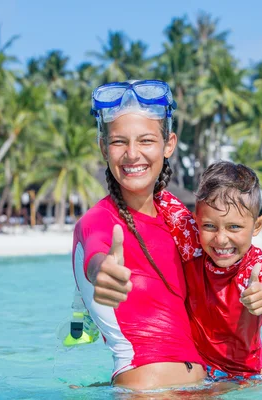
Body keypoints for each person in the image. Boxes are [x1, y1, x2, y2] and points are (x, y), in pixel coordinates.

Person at [71, 79, 206, 390]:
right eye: (119, 142)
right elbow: (96, 255)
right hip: (145, 392)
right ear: (104, 148)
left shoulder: (178, 223)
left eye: (146, 140)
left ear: (168, 144)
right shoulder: (99, 221)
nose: (132, 154)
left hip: (201, 388)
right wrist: (103, 273)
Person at [155, 161, 262, 379]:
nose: (221, 239)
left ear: (257, 226)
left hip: (242, 375)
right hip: (196, 365)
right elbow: (154, 193)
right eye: (209, 226)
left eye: (234, 227)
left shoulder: (254, 265)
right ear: (196, 220)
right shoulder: (192, 238)